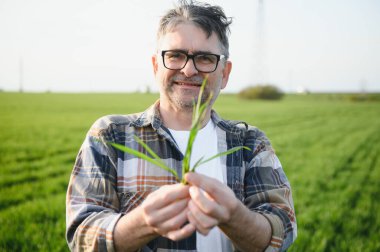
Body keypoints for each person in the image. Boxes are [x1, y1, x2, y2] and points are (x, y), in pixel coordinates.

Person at [66, 1, 297, 251]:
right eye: (175, 55)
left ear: (225, 73)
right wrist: (142, 223)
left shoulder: (249, 144)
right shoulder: (110, 136)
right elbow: (81, 236)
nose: (188, 70)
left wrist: (234, 216)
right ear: (156, 66)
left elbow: (282, 232)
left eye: (205, 58)